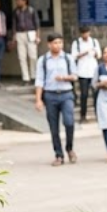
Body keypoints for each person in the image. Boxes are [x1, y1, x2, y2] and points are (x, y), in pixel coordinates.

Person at [34, 33, 78, 166]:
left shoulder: (68, 58)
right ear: (49, 45)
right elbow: (39, 80)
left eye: (60, 43)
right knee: (54, 127)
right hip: (50, 95)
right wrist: (38, 99)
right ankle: (59, 154)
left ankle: (69, 148)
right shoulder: (43, 60)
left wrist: (64, 78)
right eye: (55, 43)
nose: (58, 45)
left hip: (66, 94)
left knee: (69, 122)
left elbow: (75, 76)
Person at [72, 26, 101, 123]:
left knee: (96, 94)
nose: (86, 35)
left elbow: (99, 55)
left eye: (87, 33)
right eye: (84, 33)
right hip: (82, 71)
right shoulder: (76, 43)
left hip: (93, 71)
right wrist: (84, 53)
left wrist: (95, 52)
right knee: (84, 95)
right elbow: (73, 56)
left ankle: (98, 115)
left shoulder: (94, 42)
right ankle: (83, 115)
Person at [13, 0, 40, 84]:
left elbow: (37, 24)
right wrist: (14, 37)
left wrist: (37, 36)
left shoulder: (31, 10)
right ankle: (25, 78)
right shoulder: (16, 11)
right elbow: (14, 25)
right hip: (20, 34)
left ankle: (34, 76)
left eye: (19, 0)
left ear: (25, 1)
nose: (17, 2)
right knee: (22, 57)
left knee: (33, 56)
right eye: (16, 0)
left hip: (31, 33)